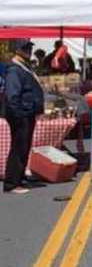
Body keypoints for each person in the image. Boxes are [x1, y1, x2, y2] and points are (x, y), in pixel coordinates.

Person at [3, 40, 44, 194]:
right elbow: (12, 95)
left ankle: (19, 177)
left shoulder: (24, 67)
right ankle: (11, 183)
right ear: (17, 50)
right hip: (21, 114)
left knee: (24, 147)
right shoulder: (15, 69)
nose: (29, 51)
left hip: (27, 112)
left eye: (30, 48)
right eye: (25, 48)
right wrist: (19, 114)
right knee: (18, 148)